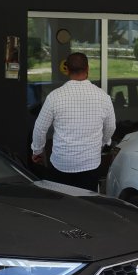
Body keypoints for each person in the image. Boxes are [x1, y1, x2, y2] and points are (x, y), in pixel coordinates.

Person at [30, 52, 116, 191]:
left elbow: (40, 128)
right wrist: (101, 143)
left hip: (61, 164)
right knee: (88, 206)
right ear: (88, 68)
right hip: (91, 164)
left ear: (67, 70)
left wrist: (37, 150)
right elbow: (111, 127)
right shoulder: (103, 97)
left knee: (63, 206)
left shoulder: (55, 96)